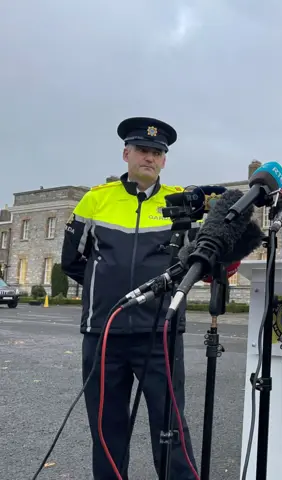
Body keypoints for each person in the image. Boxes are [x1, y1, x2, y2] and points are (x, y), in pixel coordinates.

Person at [61, 117, 198, 479]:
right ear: (126, 153)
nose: (149, 158)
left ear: (164, 160)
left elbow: (196, 263)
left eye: (157, 153)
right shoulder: (95, 200)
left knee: (171, 429)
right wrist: (103, 286)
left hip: (160, 334)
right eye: (142, 150)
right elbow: (72, 261)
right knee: (107, 431)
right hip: (104, 333)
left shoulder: (180, 203)